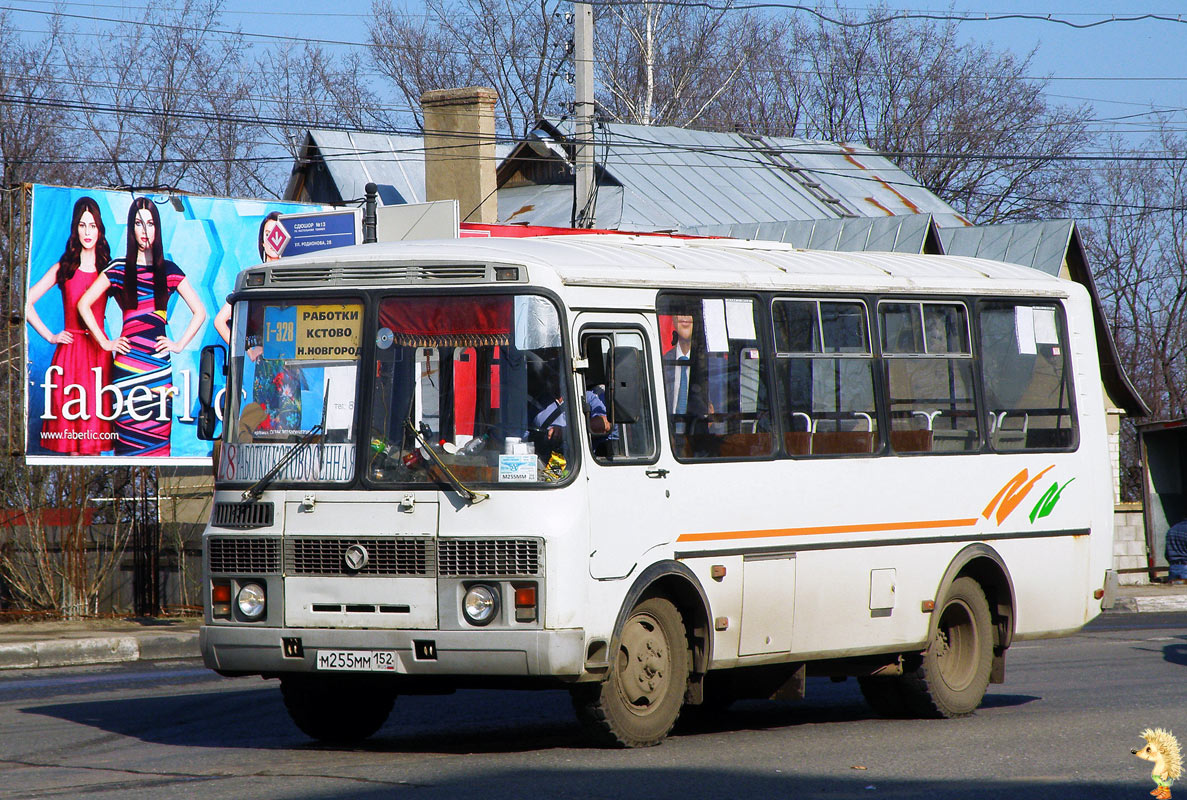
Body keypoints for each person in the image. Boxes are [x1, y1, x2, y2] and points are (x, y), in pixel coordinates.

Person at [77, 197, 208, 457]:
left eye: (150, 223)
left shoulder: (168, 270)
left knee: (159, 446)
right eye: (139, 223)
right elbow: (83, 304)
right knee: (126, 446)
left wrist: (179, 344)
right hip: (127, 369)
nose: (145, 230)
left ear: (157, 228)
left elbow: (200, 312)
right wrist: (106, 342)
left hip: (159, 369)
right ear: (131, 228)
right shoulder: (118, 269)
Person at [25, 196, 113, 455]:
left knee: (95, 444)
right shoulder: (63, 268)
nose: (88, 232)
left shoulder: (108, 269)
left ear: (100, 230)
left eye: (93, 226)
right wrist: (50, 336)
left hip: (99, 357)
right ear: (75, 228)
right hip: (71, 357)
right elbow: (26, 302)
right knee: (74, 444)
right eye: (83, 225)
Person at [213, 211, 282, 344]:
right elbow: (220, 321)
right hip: (261, 360)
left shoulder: (293, 278)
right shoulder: (252, 279)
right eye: (268, 234)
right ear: (262, 241)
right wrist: (247, 350)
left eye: (278, 234)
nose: (274, 240)